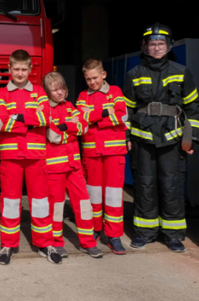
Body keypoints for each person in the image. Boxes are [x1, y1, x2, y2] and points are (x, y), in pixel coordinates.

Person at [122, 23, 199, 251]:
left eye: (161, 44)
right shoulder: (133, 74)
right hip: (142, 138)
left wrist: (192, 138)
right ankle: (144, 232)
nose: (157, 48)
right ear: (144, 47)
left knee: (171, 184)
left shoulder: (181, 71)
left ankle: (173, 235)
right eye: (152, 44)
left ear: (168, 46)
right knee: (145, 184)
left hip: (173, 137)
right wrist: (125, 136)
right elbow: (126, 109)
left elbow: (193, 107)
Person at [0, 50, 58, 264]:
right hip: (11, 156)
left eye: (24, 69)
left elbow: (46, 117)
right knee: (10, 202)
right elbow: (3, 123)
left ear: (30, 70)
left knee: (40, 202)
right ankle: (8, 245)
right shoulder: (3, 93)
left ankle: (44, 243)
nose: (20, 73)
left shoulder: (40, 91)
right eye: (16, 69)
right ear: (9, 70)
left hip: (35, 156)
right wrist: (30, 119)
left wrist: (18, 117)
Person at [42, 71, 101, 258]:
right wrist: (70, 126)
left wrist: (64, 126)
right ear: (47, 92)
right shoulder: (45, 109)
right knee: (57, 206)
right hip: (54, 168)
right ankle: (56, 242)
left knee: (84, 204)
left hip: (74, 166)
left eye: (62, 89)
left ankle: (88, 242)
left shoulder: (70, 106)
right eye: (55, 90)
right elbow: (52, 136)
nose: (60, 93)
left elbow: (84, 127)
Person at [75, 59, 128, 255]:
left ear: (103, 74)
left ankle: (114, 236)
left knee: (113, 197)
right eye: (88, 79)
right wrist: (106, 112)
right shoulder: (82, 95)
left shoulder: (115, 91)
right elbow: (80, 119)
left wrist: (95, 119)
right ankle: (95, 230)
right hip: (91, 154)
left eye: (95, 77)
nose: (92, 82)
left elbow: (122, 117)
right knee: (93, 196)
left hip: (114, 153)